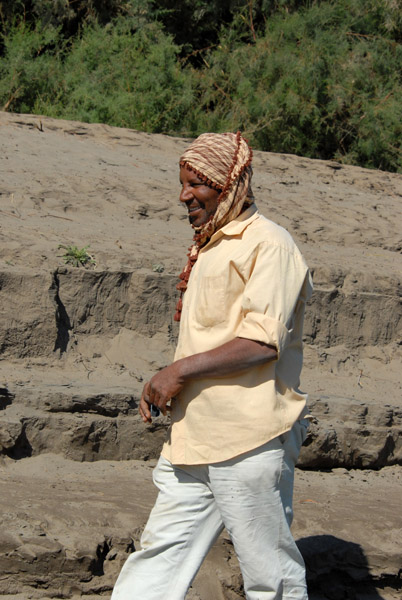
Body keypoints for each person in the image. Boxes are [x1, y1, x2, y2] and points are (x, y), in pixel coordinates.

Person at [111, 132, 312, 600]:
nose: (184, 196)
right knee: (158, 559)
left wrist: (177, 372)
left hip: (249, 439)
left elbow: (262, 344)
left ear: (231, 185)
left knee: (270, 575)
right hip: (196, 437)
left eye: (197, 185)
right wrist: (173, 381)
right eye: (182, 184)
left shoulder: (270, 245)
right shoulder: (211, 246)